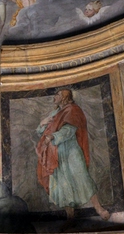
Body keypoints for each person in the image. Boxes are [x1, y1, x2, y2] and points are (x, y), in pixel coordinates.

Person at [36, 89, 110, 220]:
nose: (55, 97)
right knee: (62, 184)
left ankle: (99, 208)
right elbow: (41, 131)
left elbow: (69, 130)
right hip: (56, 153)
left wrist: (53, 136)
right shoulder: (55, 113)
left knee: (82, 178)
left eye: (58, 95)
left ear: (64, 97)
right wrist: (42, 123)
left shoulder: (73, 110)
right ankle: (70, 215)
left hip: (71, 150)